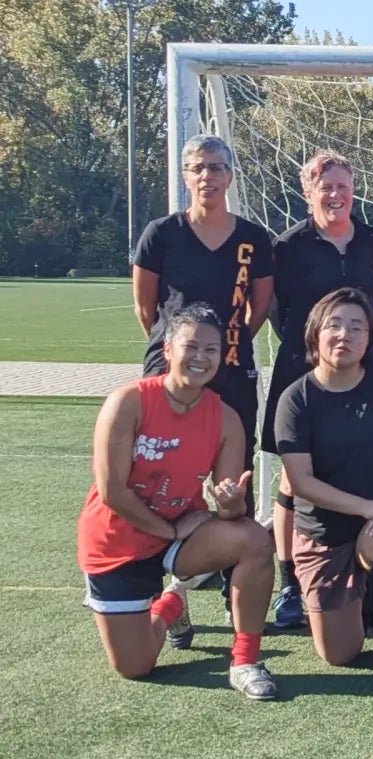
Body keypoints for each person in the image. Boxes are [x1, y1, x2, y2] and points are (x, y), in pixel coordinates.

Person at [78, 304, 279, 699]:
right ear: (167, 349)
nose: (201, 358)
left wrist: (230, 502)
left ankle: (244, 661)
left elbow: (230, 509)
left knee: (254, 540)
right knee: (135, 668)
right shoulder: (128, 402)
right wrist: (169, 529)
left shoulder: (225, 418)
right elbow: (112, 491)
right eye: (191, 347)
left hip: (180, 535)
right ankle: (170, 606)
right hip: (117, 543)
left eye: (212, 350)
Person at [131, 133, 275, 643]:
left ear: (230, 175)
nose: (207, 176)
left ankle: (239, 595)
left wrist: (222, 351)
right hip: (168, 372)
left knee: (231, 485)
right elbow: (147, 310)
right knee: (157, 482)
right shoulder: (161, 234)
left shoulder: (254, 238)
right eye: (197, 167)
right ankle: (169, 597)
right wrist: (183, 356)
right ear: (185, 175)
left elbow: (258, 310)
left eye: (216, 167)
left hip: (231, 371)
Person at [274, 287, 373, 699]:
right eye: (335, 325)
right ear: (315, 334)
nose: (344, 335)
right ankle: (364, 598)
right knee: (340, 654)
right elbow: (301, 481)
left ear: (369, 339)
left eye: (356, 327)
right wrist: (365, 507)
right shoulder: (296, 399)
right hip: (325, 531)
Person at [263, 150, 373, 631]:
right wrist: (313, 353)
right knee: (293, 478)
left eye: (342, 185)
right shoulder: (288, 247)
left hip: (363, 369)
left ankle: (366, 576)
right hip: (302, 372)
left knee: (366, 465)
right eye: (324, 186)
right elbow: (279, 312)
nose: (334, 195)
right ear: (307, 191)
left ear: (353, 189)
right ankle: (290, 583)